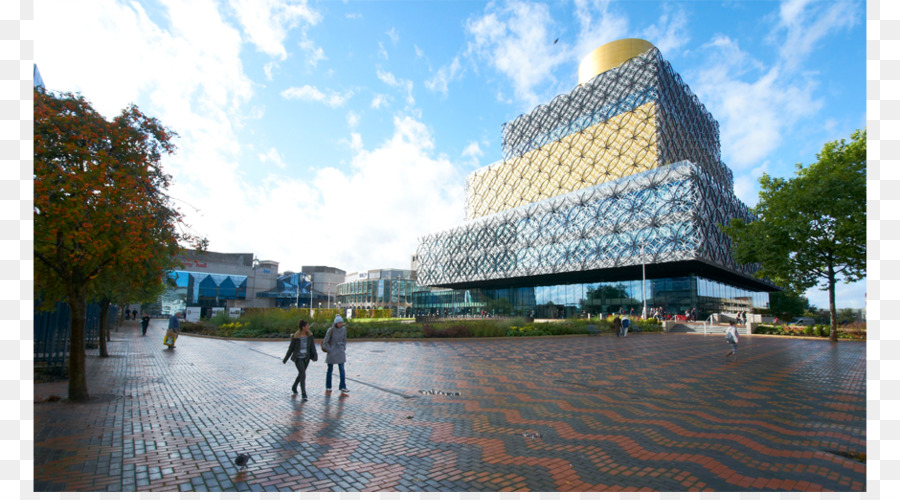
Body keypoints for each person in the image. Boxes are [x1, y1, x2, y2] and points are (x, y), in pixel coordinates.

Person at [283, 319, 318, 400]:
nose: (309, 327)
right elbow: (291, 348)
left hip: (306, 358)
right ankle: (304, 393)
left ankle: (294, 386)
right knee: (303, 374)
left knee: (301, 374)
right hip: (298, 358)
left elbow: (313, 347)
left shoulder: (310, 335)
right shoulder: (296, 336)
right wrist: (285, 359)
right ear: (303, 327)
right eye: (307, 326)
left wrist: (315, 356)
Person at [322, 315, 349, 395]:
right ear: (336, 323)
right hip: (332, 352)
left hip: (340, 351)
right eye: (339, 323)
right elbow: (325, 342)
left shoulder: (344, 330)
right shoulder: (331, 330)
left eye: (341, 323)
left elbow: (344, 339)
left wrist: (343, 347)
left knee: (342, 369)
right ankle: (328, 386)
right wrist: (329, 350)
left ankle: (343, 386)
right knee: (330, 369)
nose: (340, 324)